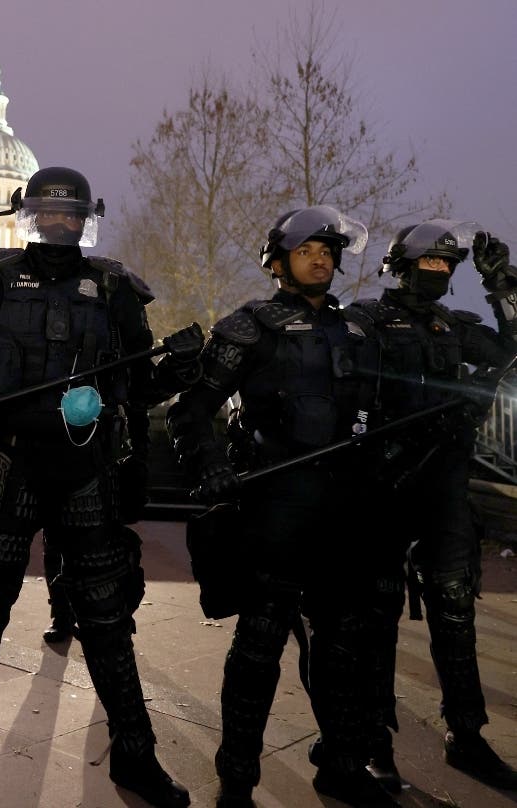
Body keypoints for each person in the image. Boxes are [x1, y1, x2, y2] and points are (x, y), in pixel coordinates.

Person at [0, 165, 204, 808]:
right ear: (27, 213)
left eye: (71, 215)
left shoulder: (116, 288)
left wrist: (174, 369)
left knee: (107, 619)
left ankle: (136, 755)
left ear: (86, 219)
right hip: (7, 466)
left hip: (86, 471)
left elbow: (135, 385)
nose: (60, 224)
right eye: (49, 213)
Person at [165, 206, 398, 808]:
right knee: (258, 648)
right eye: (309, 249)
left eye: (329, 250)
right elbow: (191, 410)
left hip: (344, 514)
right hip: (275, 507)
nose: (323, 258)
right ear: (280, 260)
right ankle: (237, 779)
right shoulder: (250, 327)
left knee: (344, 647)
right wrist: (212, 465)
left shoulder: (359, 332)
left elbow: (382, 415)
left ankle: (343, 767)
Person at [339, 221, 517, 793]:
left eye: (449, 266)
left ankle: (466, 736)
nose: (440, 274)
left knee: (456, 610)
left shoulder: (453, 326)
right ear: (402, 264)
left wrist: (501, 283)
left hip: (443, 484)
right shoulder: (364, 320)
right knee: (378, 616)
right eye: (431, 264)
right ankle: (374, 740)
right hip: (384, 485)